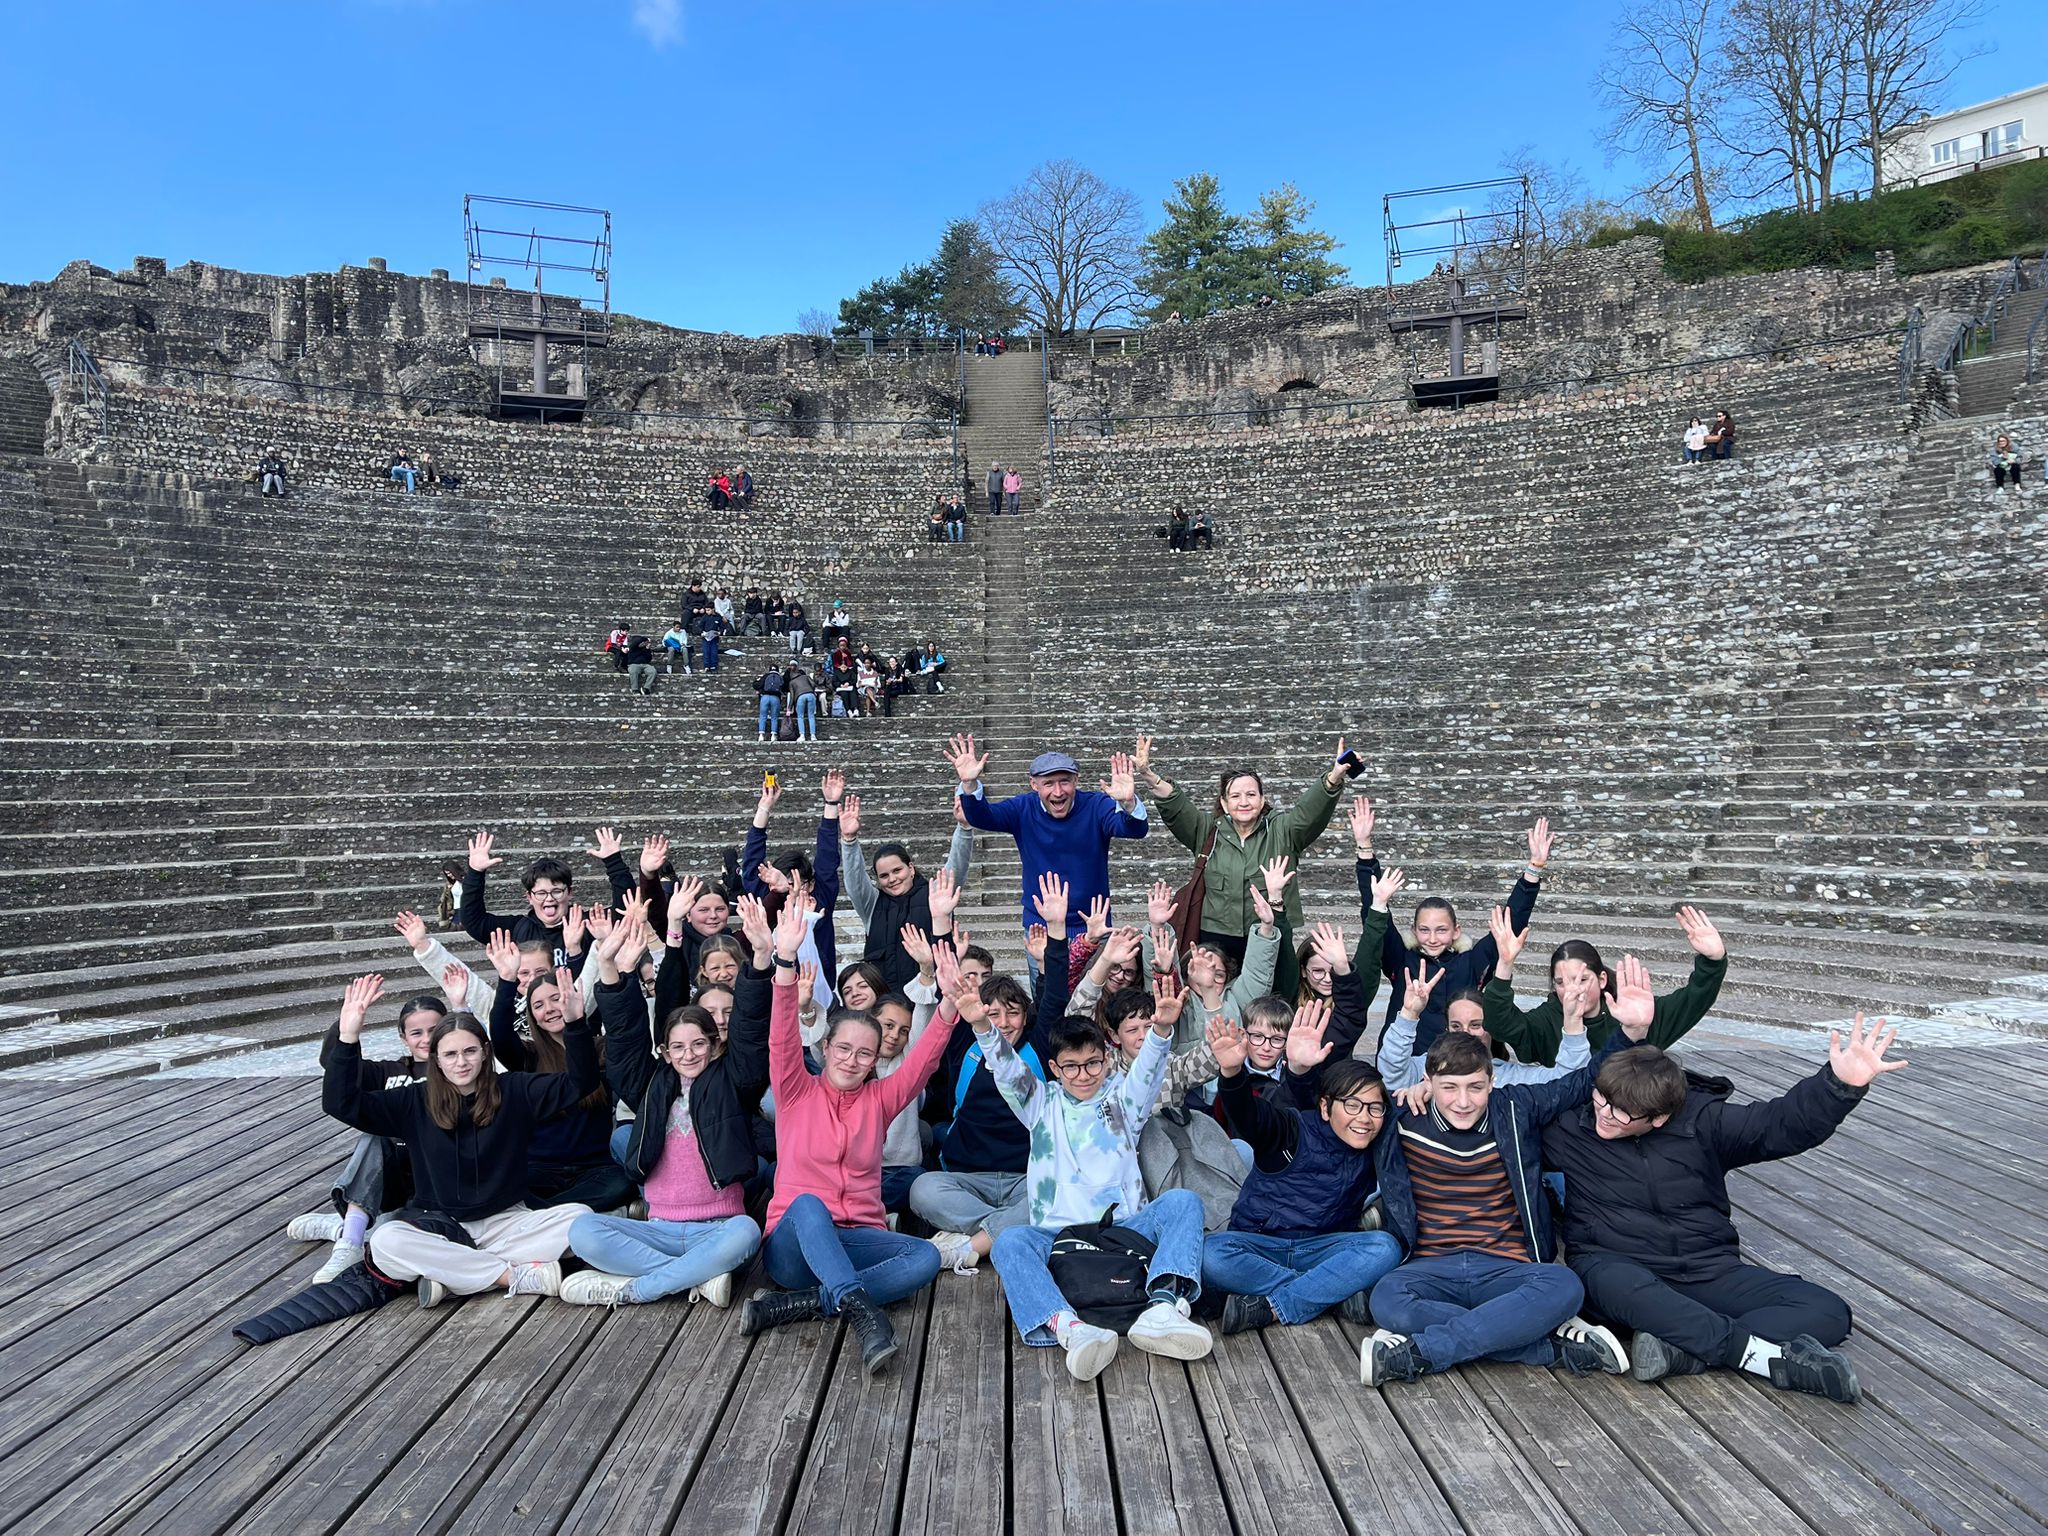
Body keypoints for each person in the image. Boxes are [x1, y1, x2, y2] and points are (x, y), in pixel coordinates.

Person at [1540, 1017, 1907, 1401]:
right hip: (1619, 1269)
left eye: (1623, 1114)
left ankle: (1683, 1346)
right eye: (1602, 1099)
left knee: (1827, 1310)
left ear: (1660, 1117)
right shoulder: (1568, 1129)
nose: (1605, 1114)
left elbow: (1778, 1125)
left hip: (1708, 1271)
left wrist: (1838, 1086)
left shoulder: (1703, 1122)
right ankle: (1756, 1356)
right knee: (1610, 1283)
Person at [1356, 960, 1654, 1388]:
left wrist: (1631, 1033)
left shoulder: (1516, 1108)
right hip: (1431, 1266)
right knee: (1386, 1298)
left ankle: (1422, 1351)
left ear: (1492, 1081)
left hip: (1507, 1268)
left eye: (1475, 1087)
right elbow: (1336, 1104)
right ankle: (1545, 1346)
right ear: (1428, 1081)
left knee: (1565, 1285)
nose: (1462, 1101)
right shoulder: (1401, 1116)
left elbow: (1582, 1081)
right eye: (1449, 1088)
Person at [975, 876, 1215, 1380]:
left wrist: (1163, 1030)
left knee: (1184, 1204)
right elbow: (1005, 1068)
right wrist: (981, 1026)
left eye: (1092, 1065)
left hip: (1123, 1228)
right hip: (1058, 1234)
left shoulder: (1124, 1099)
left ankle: (1163, 1308)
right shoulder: (1040, 1104)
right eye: (1071, 1067)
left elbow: (1149, 1071)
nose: (1083, 1076)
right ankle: (1070, 1329)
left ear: (1107, 1059)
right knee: (1012, 1243)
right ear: (1056, 1069)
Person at [741, 899, 957, 1374]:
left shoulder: (881, 1099)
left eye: (866, 1054)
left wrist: (951, 1002)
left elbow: (924, 1061)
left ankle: (802, 1305)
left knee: (922, 1256)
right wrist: (783, 962)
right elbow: (779, 1038)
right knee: (808, 1204)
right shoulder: (796, 1090)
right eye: (844, 1049)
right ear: (825, 1047)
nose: (852, 1060)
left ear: (877, 1058)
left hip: (857, 1236)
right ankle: (863, 1315)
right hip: (793, 1247)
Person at [323, 971, 600, 1305]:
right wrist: (348, 1035)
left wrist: (575, 1024)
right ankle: (511, 1276)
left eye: (469, 1051)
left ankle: (453, 1277)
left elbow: (580, 1084)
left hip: (506, 1223)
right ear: (436, 1060)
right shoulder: (415, 1100)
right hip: (442, 1226)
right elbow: (341, 1103)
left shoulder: (514, 1089)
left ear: (485, 1052)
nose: (461, 1062)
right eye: (450, 1055)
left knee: (579, 1217)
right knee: (386, 1241)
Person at [562, 906, 767, 1307]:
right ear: (665, 1051)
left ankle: (640, 1287)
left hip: (719, 1226)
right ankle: (696, 1277)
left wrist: (760, 960)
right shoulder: (650, 1084)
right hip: (658, 1228)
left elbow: (752, 1028)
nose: (688, 1054)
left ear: (713, 1045)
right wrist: (607, 963)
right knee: (581, 1231)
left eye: (698, 1044)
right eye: (678, 1046)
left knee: (747, 1231)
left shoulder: (735, 1080)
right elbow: (623, 1035)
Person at [910, 874, 1075, 1272]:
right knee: (922, 1189)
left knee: (1061, 1192)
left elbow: (1054, 993)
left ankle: (971, 1242)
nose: (1002, 1022)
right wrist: (940, 923)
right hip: (967, 1177)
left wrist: (1056, 929)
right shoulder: (964, 1043)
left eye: (1012, 1012)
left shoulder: (1037, 1044)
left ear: (1025, 1016)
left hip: (1026, 1177)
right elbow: (948, 984)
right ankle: (1000, 1231)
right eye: (993, 1013)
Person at [1200, 1011, 1401, 1333]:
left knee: (1384, 1247)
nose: (1364, 1118)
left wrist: (1423, 1092)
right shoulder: (1291, 1128)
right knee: (1210, 1254)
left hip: (1323, 1249)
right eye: (1352, 1105)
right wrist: (1232, 1071)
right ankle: (1329, 1294)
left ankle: (1274, 1306)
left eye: (1374, 1108)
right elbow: (1248, 1116)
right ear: (1325, 1107)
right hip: (1259, 1246)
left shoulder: (1379, 1140)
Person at [1139, 734, 1349, 977]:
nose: (1244, 802)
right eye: (1235, 796)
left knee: (1269, 1004)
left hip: (1269, 932)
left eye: (1251, 795)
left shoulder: (1283, 831)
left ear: (1262, 801)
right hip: (1216, 937)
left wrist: (1333, 778)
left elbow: (1309, 813)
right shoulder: (1207, 831)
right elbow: (1177, 805)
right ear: (1225, 804)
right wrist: (1148, 774)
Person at [1355, 799, 1549, 1054]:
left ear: (1457, 930)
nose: (1432, 938)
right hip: (1409, 1062)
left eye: (1441, 930)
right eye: (1424, 930)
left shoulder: (1472, 961)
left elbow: (1509, 922)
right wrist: (1365, 850)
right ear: (1414, 931)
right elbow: (1376, 912)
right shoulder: (1400, 958)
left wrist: (1533, 869)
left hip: (1466, 1063)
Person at [284, 988, 444, 1282]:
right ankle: (349, 1243)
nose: (426, 1039)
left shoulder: (458, 1067)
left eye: (434, 1030)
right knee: (376, 1135)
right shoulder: (388, 1072)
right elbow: (336, 1068)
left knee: (393, 1230)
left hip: (434, 1176)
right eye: (417, 1033)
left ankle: (344, 1227)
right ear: (404, 1039)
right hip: (391, 1176)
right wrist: (347, 1027)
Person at [949, 735, 1148, 958]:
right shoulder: (1022, 808)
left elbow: (1134, 830)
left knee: (1095, 991)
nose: (1058, 792)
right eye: (1048, 783)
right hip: (1040, 928)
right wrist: (969, 784)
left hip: (1092, 925)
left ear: (1076, 781)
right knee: (1045, 992)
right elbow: (982, 818)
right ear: (1034, 785)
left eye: (1064, 781)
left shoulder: (1096, 805)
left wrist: (1128, 803)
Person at [484, 931, 634, 1213]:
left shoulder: (600, 1049)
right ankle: (562, 1211)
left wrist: (617, 972)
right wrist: (506, 980)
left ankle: (546, 1212)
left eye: (555, 998)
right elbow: (501, 1035)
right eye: (538, 1005)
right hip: (540, 1168)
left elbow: (627, 1029)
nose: (549, 1009)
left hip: (594, 1168)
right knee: (505, 1183)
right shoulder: (527, 1056)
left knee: (620, 1185)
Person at [1482, 904, 1729, 1066]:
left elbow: (1693, 1000)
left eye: (1582, 979)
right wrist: (1504, 963)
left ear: (1601, 980)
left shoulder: (1634, 1014)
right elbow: (1499, 1023)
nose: (1572, 989)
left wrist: (1713, 960)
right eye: (1561, 982)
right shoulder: (1546, 1020)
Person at [1378, 949, 1589, 1091]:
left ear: (1492, 1030)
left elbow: (1568, 1082)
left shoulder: (1513, 1078)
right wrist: (1409, 1013)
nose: (1466, 1033)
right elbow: (1391, 1072)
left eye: (1476, 1025)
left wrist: (1572, 1020)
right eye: (1456, 1026)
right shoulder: (1426, 1068)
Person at [839, 791, 974, 990]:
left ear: (911, 868)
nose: (892, 879)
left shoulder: (935, 894)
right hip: (885, 1002)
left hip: (931, 993)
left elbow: (957, 866)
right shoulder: (872, 904)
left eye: (897, 870)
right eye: (884, 876)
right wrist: (849, 840)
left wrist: (964, 828)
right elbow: (854, 880)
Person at [458, 826, 639, 969]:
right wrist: (476, 872)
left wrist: (613, 861)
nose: (549, 899)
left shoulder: (591, 925)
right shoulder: (517, 929)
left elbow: (626, 907)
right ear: (529, 897)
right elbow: (474, 921)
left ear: (570, 892)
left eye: (557, 891)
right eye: (541, 893)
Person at [787, 663, 820, 743]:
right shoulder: (806, 677)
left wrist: (789, 709)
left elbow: (792, 696)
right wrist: (810, 690)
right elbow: (813, 684)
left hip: (800, 696)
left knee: (800, 716)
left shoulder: (792, 682)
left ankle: (802, 735)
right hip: (810, 695)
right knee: (811, 715)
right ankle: (813, 735)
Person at [755, 663, 786, 742]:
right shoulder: (779, 677)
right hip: (775, 698)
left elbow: (757, 685)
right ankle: (773, 735)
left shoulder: (766, 676)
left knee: (763, 716)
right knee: (774, 717)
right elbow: (784, 687)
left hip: (765, 697)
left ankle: (761, 735)